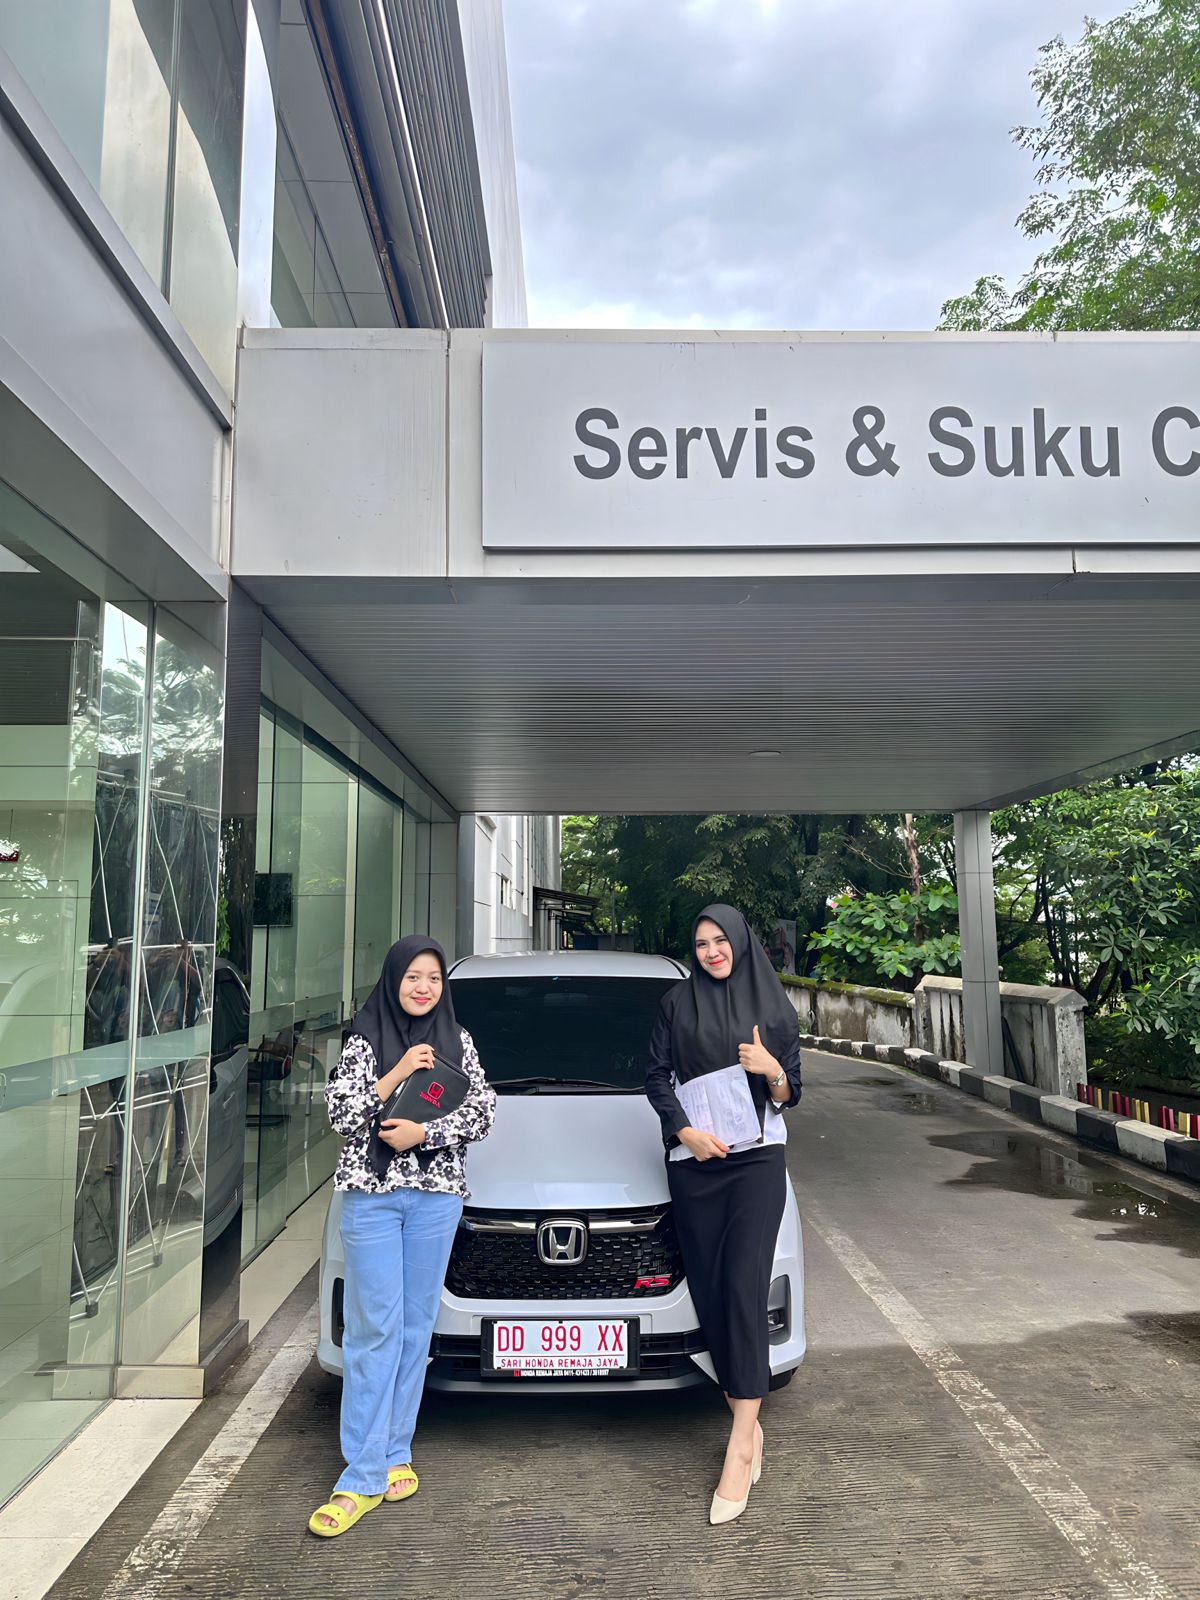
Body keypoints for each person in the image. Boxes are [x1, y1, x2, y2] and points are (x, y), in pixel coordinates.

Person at [309, 935, 495, 1538]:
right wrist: (399, 1072)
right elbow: (342, 1114)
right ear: (393, 980)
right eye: (413, 976)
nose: (423, 987)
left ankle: (395, 1451)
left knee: (415, 1329)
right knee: (373, 1330)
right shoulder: (364, 1041)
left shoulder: (458, 1042)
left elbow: (484, 1111)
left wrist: (425, 1134)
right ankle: (360, 1476)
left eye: (433, 979)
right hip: (372, 1198)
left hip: (436, 1199)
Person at [645, 903, 802, 1525]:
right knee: (711, 1294)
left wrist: (772, 1071)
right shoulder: (675, 1005)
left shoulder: (773, 1008)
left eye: (721, 940)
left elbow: (792, 1091)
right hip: (695, 1165)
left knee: (742, 1287)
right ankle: (749, 1423)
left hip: (755, 1163)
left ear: (739, 942)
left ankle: (739, 1446)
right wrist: (685, 1132)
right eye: (701, 943)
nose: (712, 951)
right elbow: (656, 1077)